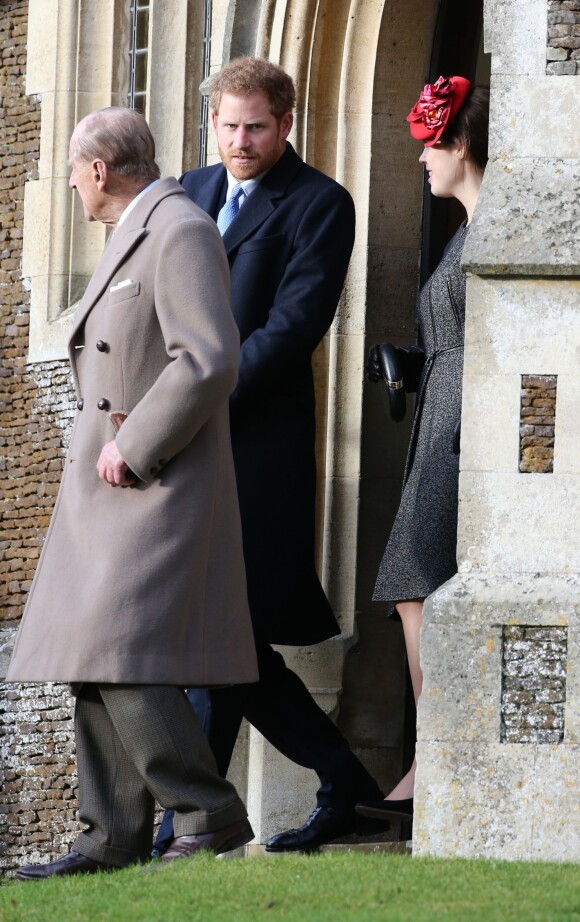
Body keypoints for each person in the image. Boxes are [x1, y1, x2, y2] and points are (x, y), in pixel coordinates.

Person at [7, 106, 259, 879]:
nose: (74, 186)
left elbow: (209, 360)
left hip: (154, 478)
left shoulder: (179, 229)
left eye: (75, 171)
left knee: (125, 653)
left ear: (97, 170)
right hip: (109, 482)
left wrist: (135, 446)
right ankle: (107, 838)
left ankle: (207, 814)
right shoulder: (133, 231)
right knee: (94, 651)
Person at [153, 57, 387, 855]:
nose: (240, 141)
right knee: (218, 636)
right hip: (181, 450)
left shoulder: (321, 203)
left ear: (286, 124)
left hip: (256, 447)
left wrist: (194, 399)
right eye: (228, 126)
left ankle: (190, 825)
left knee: (227, 633)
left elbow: (293, 327)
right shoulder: (188, 192)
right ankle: (333, 785)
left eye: (255, 126)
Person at [356, 77, 490, 824]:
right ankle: (434, 756)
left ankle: (437, 759)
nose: (420, 161)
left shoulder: (494, 225)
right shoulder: (464, 230)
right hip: (439, 418)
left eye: (428, 146)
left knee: (416, 585)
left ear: (459, 144)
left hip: (463, 430)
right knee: (415, 587)